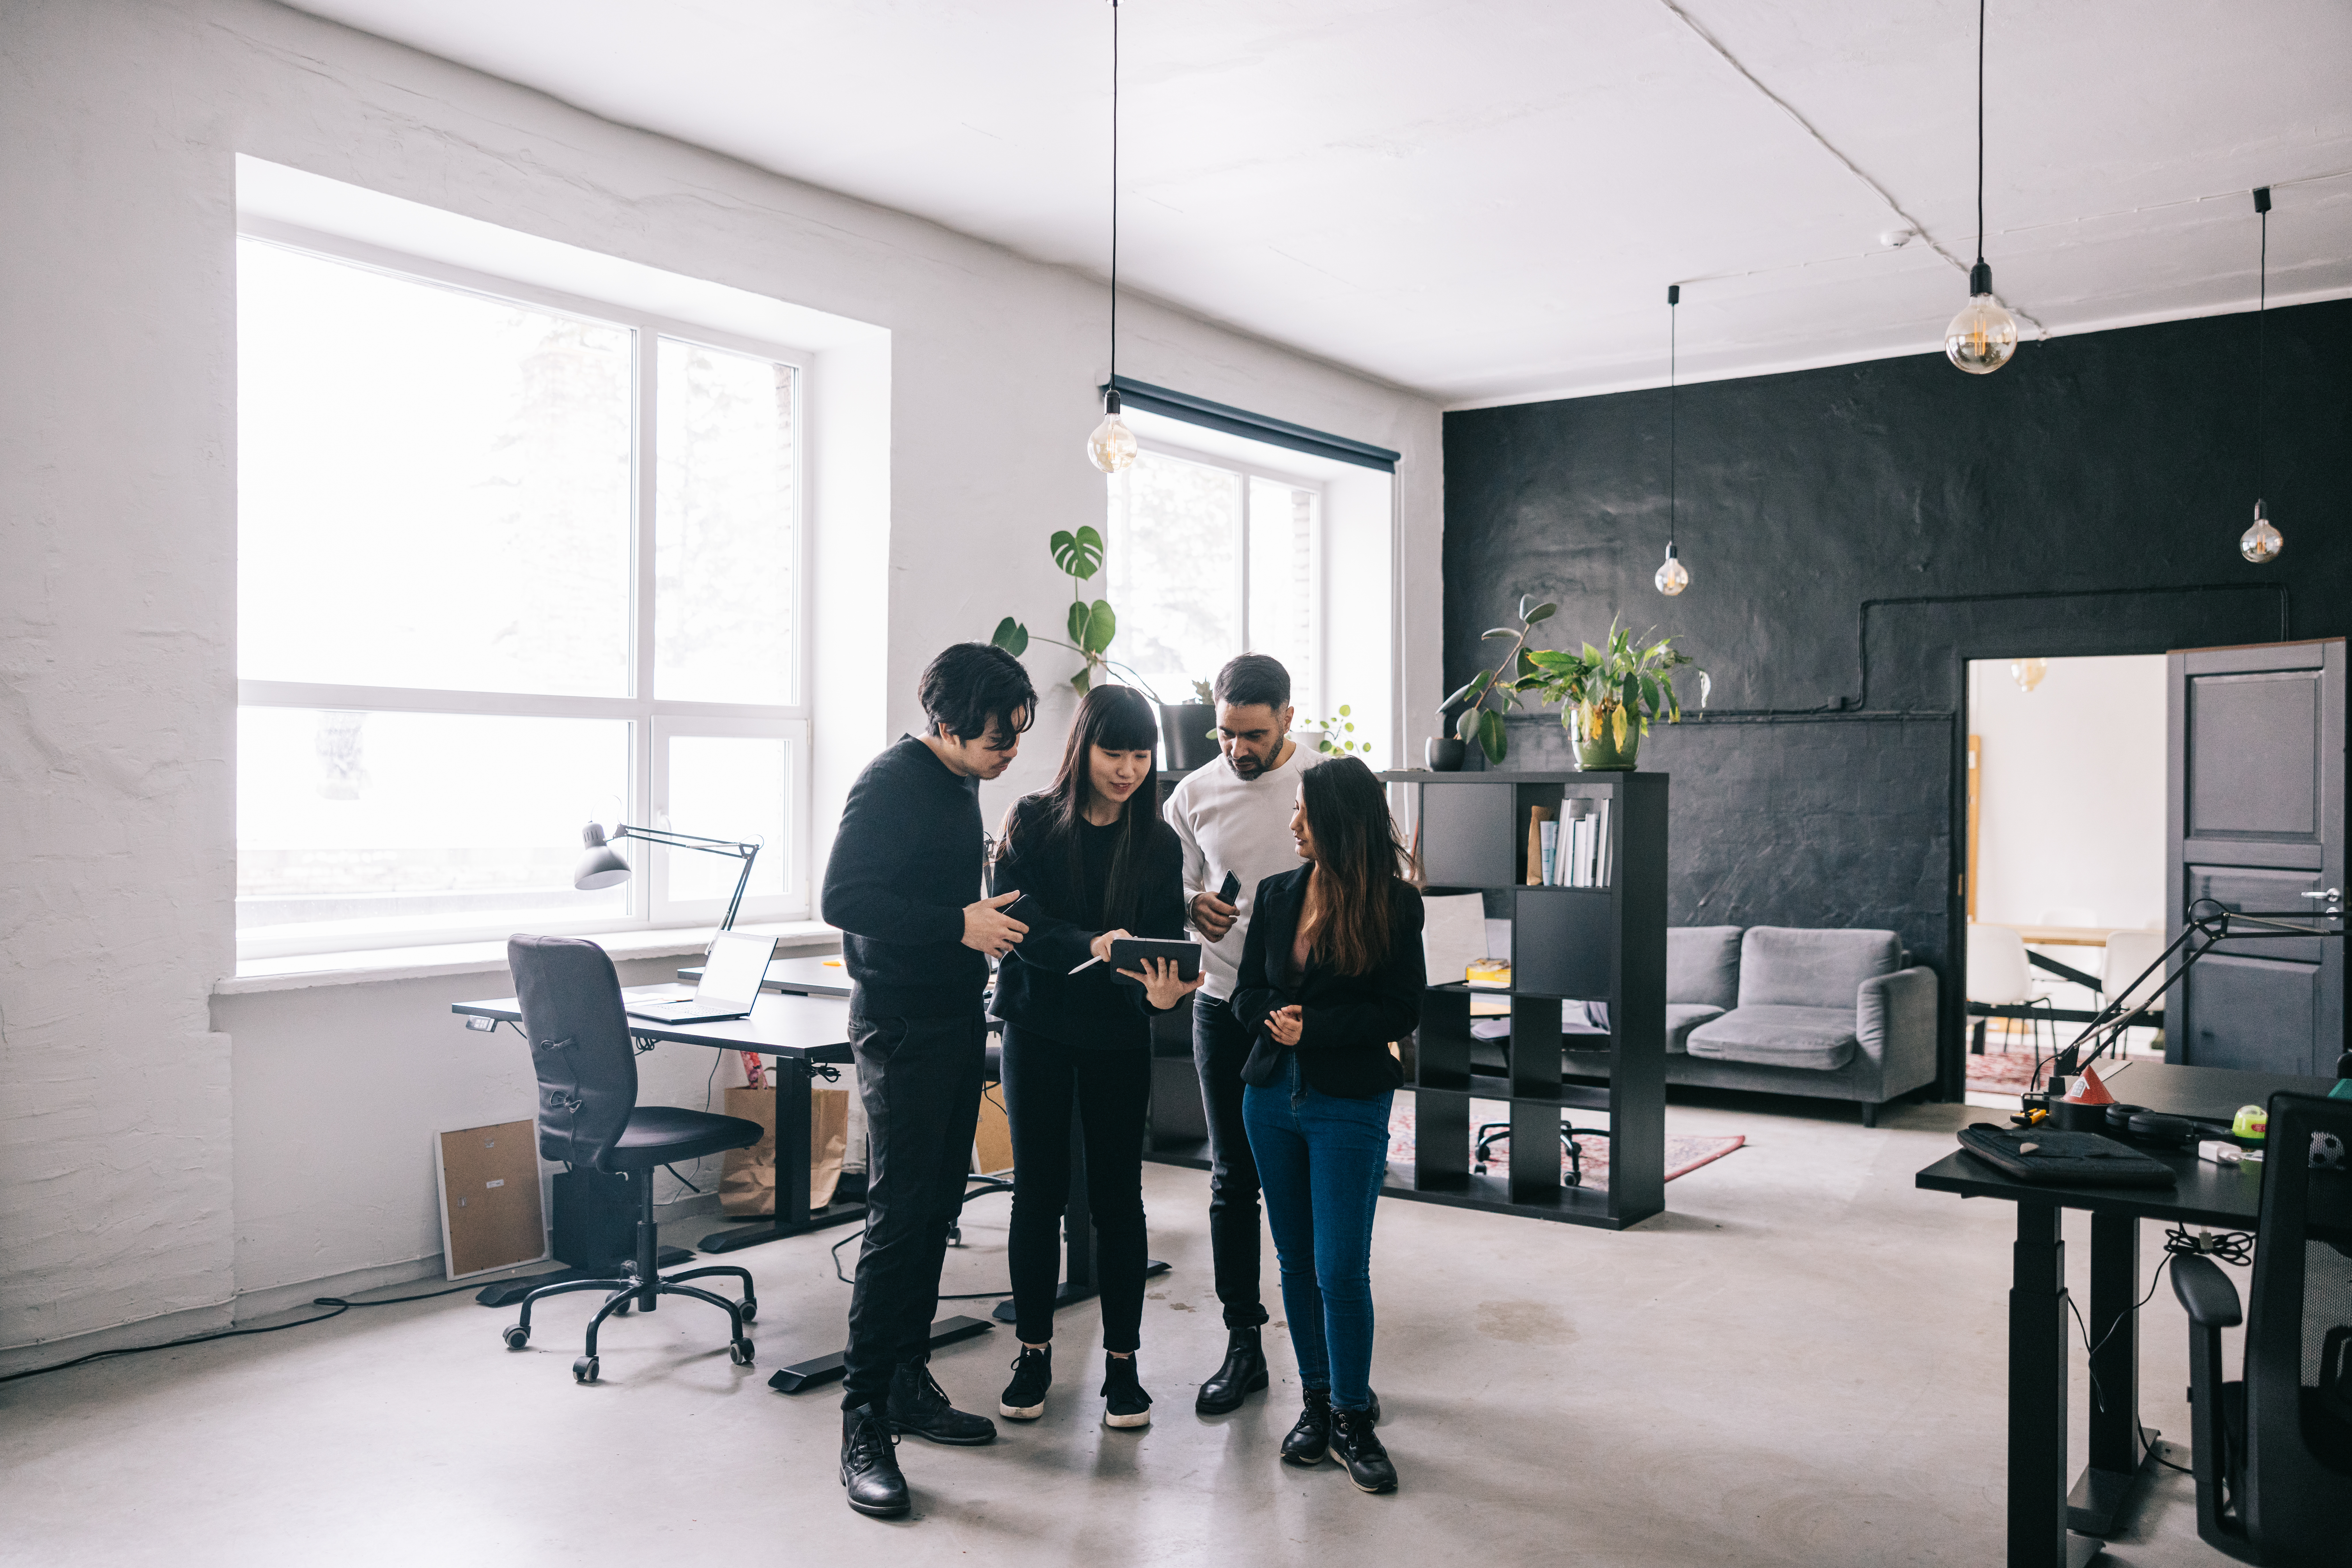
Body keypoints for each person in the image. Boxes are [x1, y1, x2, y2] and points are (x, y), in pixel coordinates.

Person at [820, 642, 1037, 1520]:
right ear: (946, 724)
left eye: (1018, 736)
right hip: (901, 1029)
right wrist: (958, 924)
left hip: (950, 1021)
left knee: (937, 1212)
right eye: (996, 739)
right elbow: (844, 898)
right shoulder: (891, 782)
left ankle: (908, 1383)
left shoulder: (958, 783)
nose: (1009, 752)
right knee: (900, 1218)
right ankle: (864, 1420)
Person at [988, 685, 1203, 1430]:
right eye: (1117, 752)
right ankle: (1034, 1354)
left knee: (1119, 1202)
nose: (1130, 769)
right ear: (1086, 748)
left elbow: (1159, 953)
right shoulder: (1032, 823)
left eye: (1143, 756)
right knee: (1038, 1196)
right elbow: (1017, 922)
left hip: (1118, 1038)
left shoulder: (1159, 845)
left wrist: (1165, 998)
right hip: (1038, 1031)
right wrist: (1089, 945)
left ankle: (1124, 1368)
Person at [1230, 755, 1422, 1495]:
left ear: (1340, 820)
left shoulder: (1397, 906)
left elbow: (1399, 1009)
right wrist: (1270, 1019)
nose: (1293, 823)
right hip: (1270, 1097)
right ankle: (1315, 1402)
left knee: (1340, 1267)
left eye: (1305, 810)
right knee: (1296, 1261)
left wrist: (1315, 1027)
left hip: (1348, 1101)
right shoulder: (1278, 893)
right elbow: (1247, 991)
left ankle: (1352, 1417)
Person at [1161, 653, 1309, 1413]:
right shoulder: (1193, 793)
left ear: (1287, 715)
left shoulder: (1327, 783)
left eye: (1253, 734)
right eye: (1226, 734)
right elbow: (1173, 882)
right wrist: (1192, 906)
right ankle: (1242, 1343)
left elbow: (1381, 879)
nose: (1238, 750)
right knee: (1232, 1181)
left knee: (1312, 1183)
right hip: (1221, 1004)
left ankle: (1323, 1358)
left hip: (1308, 1013)